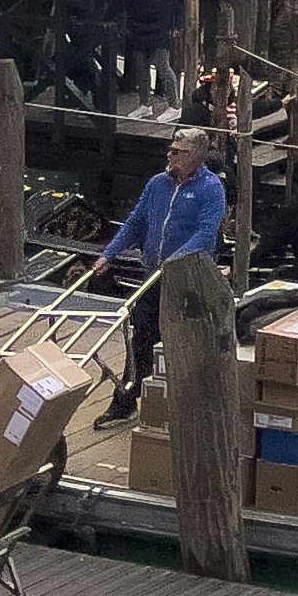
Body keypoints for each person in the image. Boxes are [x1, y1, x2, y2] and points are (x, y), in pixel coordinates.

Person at [91, 129, 230, 414]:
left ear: (196, 155)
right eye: (170, 149)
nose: (170, 155)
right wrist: (109, 254)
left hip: (188, 282)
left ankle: (182, 407)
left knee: (183, 344)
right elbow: (135, 222)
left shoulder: (211, 188)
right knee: (140, 339)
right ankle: (125, 400)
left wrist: (174, 261)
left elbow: (206, 235)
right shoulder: (157, 184)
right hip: (152, 278)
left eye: (178, 151)